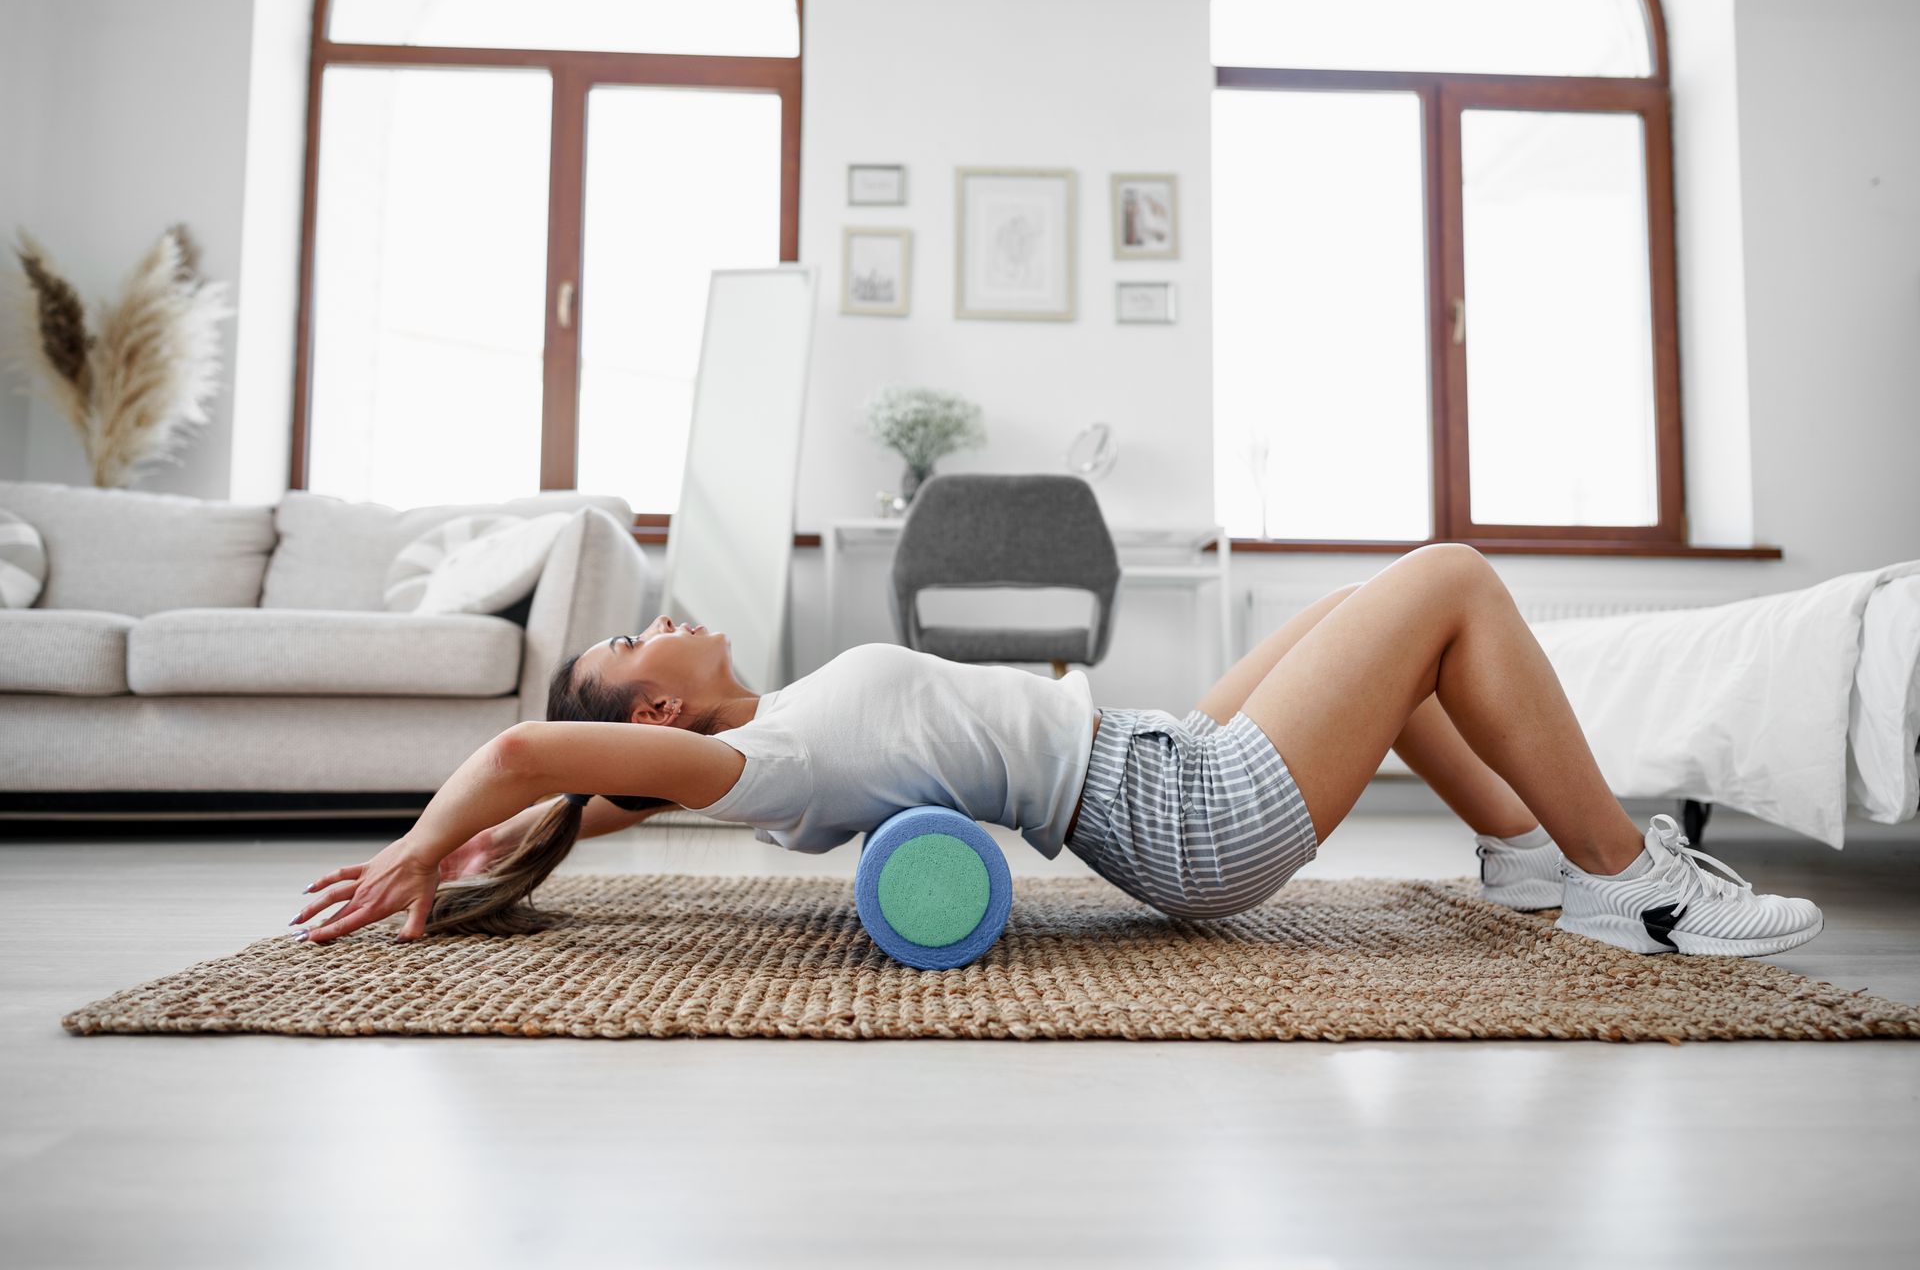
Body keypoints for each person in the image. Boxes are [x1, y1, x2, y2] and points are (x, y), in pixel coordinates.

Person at [293, 543, 1823, 958]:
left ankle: (1523, 854)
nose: (665, 616)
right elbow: (521, 747)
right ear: (658, 717)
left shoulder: (747, 759)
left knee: (1361, 610)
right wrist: (439, 837)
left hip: (1159, 762)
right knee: (1450, 580)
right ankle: (1635, 880)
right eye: (636, 639)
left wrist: (524, 836)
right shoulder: (752, 773)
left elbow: (569, 786)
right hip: (1183, 814)